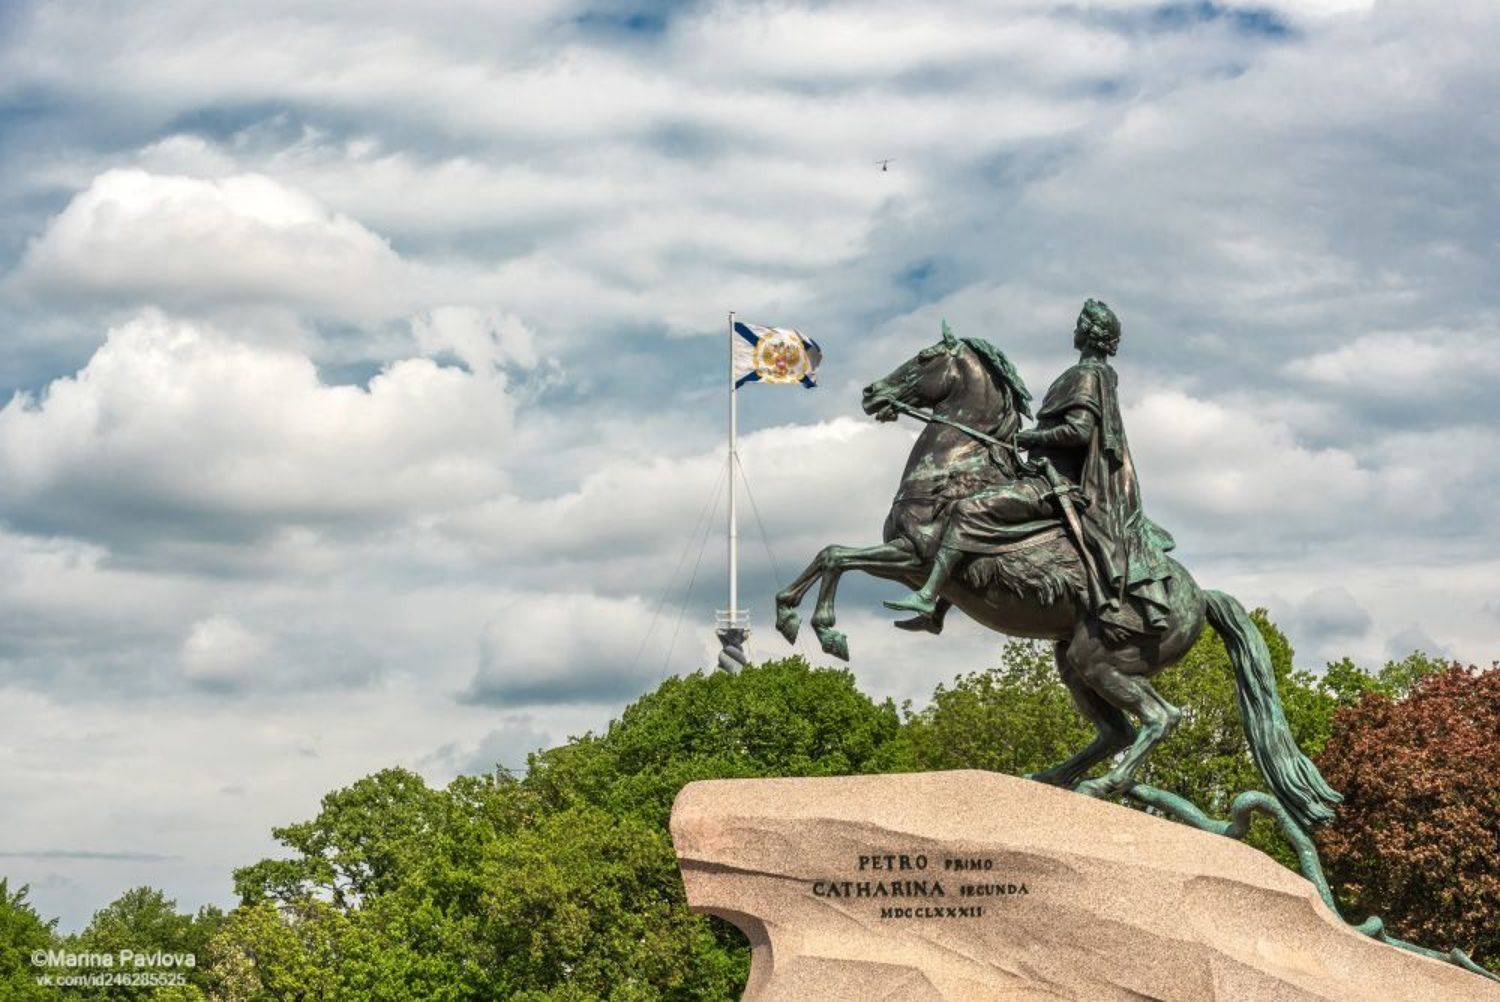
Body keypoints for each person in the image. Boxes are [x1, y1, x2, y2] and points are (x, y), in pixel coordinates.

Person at [884, 299, 1175, 637]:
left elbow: (1079, 431)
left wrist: (1031, 436)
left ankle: (929, 597)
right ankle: (937, 604)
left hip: (1055, 483)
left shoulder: (1085, 375)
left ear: (1088, 332)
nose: (1076, 329)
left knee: (967, 509)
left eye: (1081, 323)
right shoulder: (1100, 375)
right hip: (1048, 476)